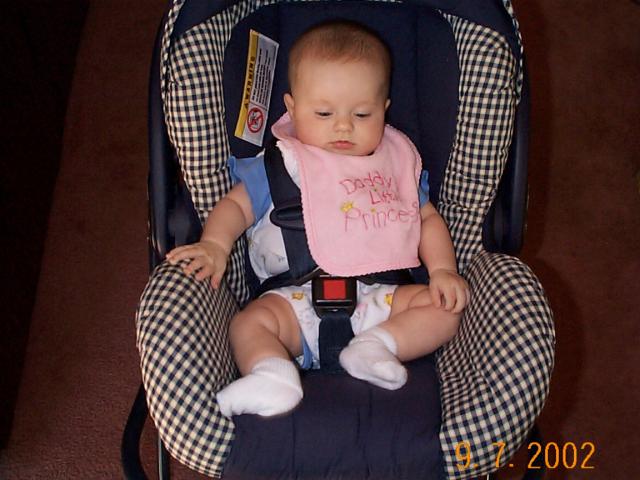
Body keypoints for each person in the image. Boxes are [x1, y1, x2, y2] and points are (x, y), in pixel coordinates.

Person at [167, 20, 470, 418]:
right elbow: (237, 207)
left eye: (362, 113)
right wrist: (215, 244)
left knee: (444, 310)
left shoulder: (394, 165)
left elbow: (427, 220)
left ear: (384, 110)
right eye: (324, 112)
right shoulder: (282, 165)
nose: (343, 126)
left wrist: (443, 270)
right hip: (292, 300)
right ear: (292, 109)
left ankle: (377, 347)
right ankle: (272, 373)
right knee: (247, 324)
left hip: (382, 298)